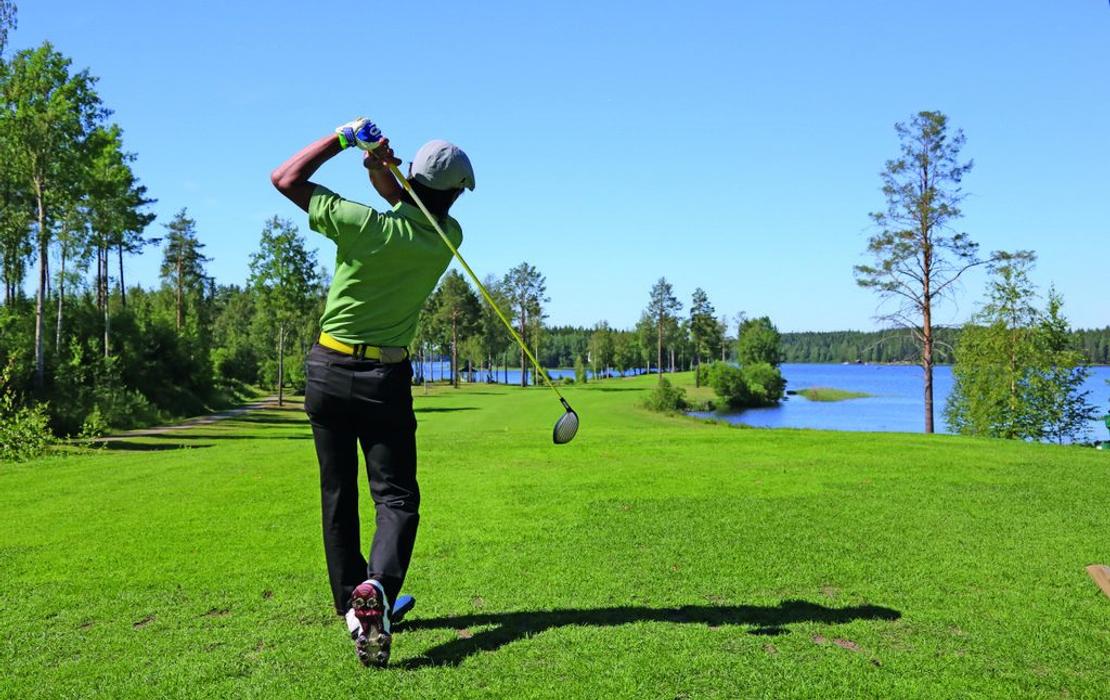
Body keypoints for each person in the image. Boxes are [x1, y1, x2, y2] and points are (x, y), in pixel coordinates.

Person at [270, 117, 475, 666]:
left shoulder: (359, 223)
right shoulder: (447, 238)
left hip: (327, 369)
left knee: (338, 495)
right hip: (384, 380)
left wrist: (344, 140)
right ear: (457, 194)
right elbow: (410, 203)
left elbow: (285, 178)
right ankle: (377, 590)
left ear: (411, 178)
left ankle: (354, 606)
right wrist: (381, 169)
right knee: (396, 497)